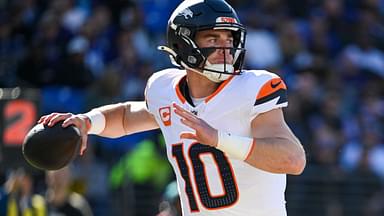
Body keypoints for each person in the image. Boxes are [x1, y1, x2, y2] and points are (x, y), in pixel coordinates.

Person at [38, 0, 306, 215]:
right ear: (183, 44)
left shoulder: (253, 88)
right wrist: (87, 121)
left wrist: (219, 140)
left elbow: (293, 160)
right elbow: (127, 117)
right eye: (213, 39)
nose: (225, 48)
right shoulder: (164, 89)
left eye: (229, 38)